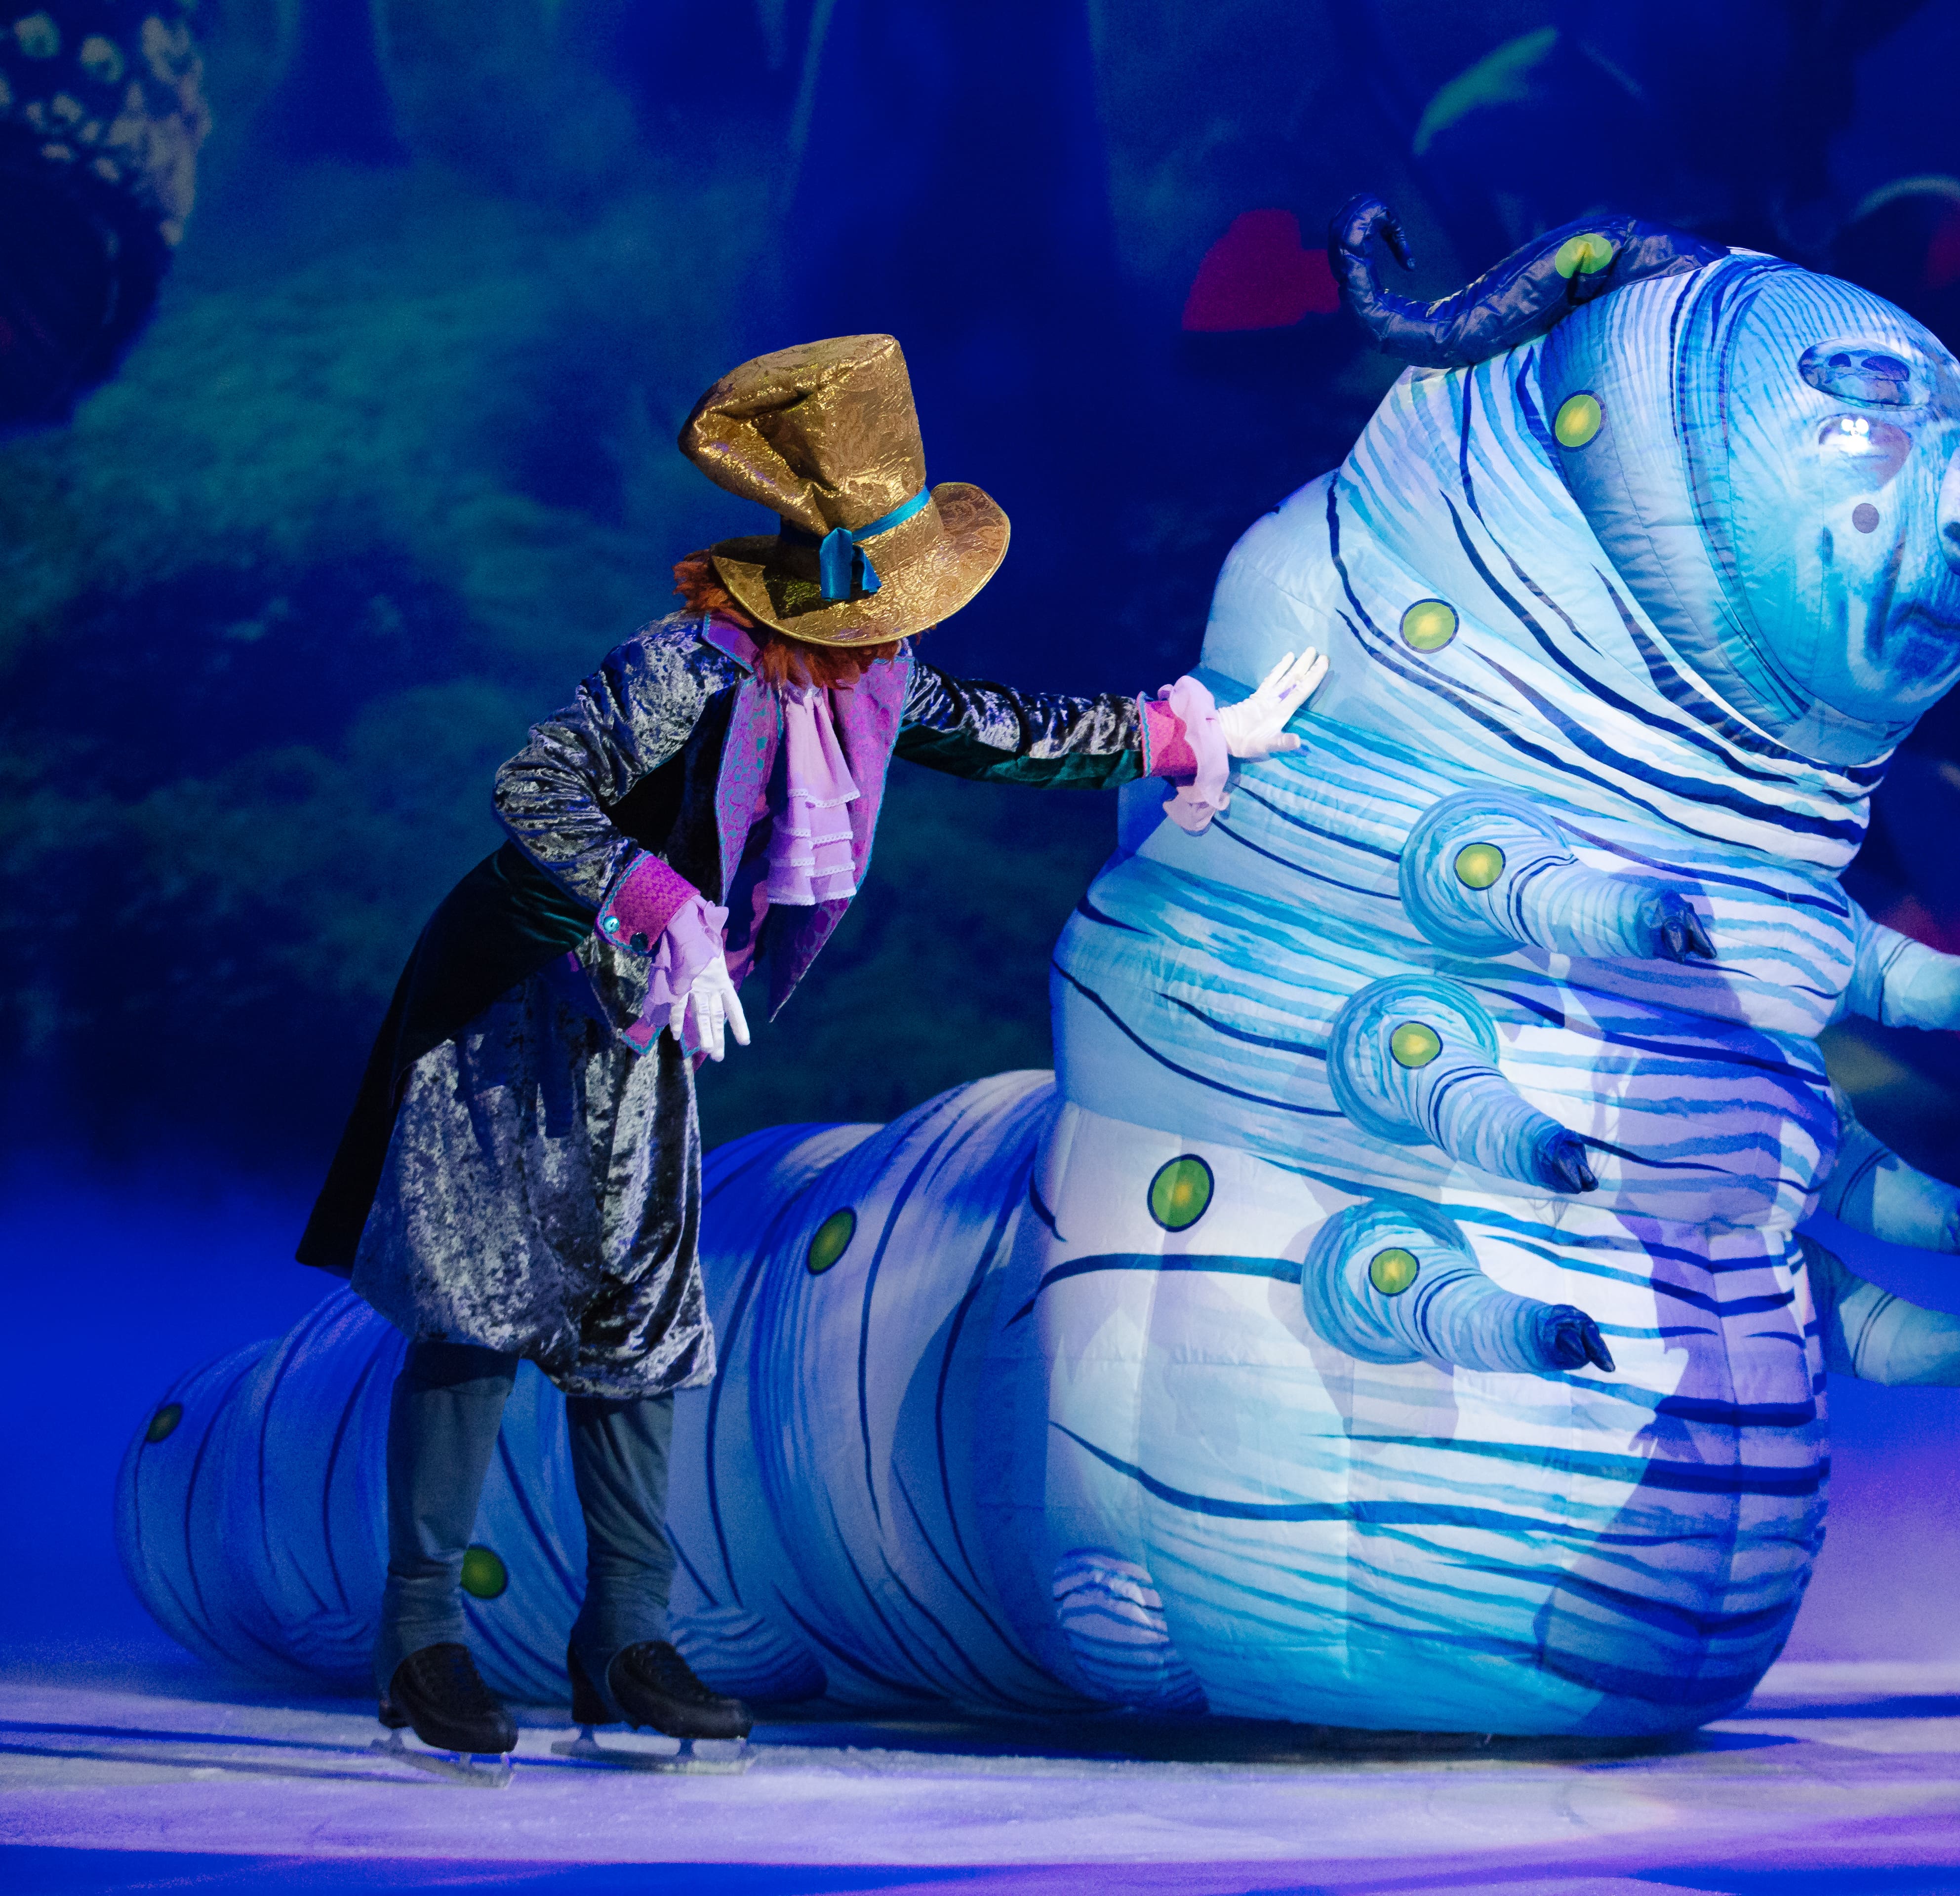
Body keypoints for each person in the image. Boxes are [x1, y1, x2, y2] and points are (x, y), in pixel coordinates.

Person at [296, 334, 1325, 1769]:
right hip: (517, 1004)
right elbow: (534, 787)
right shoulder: (685, 669)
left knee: (638, 1314)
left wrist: (1177, 734)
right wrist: (659, 904)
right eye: (886, 609)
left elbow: (1004, 729)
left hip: (642, 1020)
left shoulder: (873, 681)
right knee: (485, 1301)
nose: (904, 639)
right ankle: (420, 1643)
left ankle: (623, 1641)